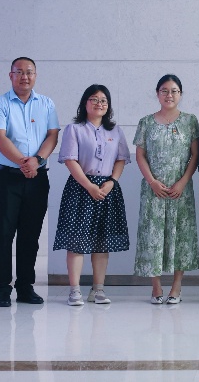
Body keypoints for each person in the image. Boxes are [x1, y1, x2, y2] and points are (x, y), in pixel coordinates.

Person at [0, 56, 60, 307]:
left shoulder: (47, 104)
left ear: (35, 76)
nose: (24, 77)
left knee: (31, 234)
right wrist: (23, 163)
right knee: (3, 232)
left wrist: (36, 161)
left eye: (29, 72)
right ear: (11, 75)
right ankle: (2, 288)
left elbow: (52, 135)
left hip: (37, 177)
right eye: (19, 72)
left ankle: (25, 287)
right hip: (6, 177)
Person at [54, 85, 131, 306]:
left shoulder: (115, 131)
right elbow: (70, 160)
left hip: (107, 189)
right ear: (85, 103)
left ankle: (98, 290)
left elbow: (121, 159)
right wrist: (89, 186)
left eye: (104, 100)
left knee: (101, 242)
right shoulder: (74, 129)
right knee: (76, 241)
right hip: (81, 188)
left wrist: (112, 182)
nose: (99, 103)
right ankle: (74, 291)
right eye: (94, 99)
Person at [134, 74, 199, 304]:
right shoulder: (146, 122)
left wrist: (183, 181)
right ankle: (156, 287)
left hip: (180, 190)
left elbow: (195, 154)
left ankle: (176, 286)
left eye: (174, 91)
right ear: (157, 94)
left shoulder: (190, 121)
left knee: (180, 236)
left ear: (180, 94)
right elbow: (140, 155)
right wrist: (152, 181)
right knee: (152, 236)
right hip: (153, 189)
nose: (169, 95)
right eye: (164, 90)